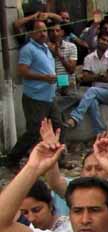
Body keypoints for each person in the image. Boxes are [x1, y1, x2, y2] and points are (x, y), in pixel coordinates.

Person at [8, 19, 60, 166]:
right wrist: (44, 78)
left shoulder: (46, 47)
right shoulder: (28, 49)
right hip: (35, 97)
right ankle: (12, 158)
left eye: (44, 30)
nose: (43, 34)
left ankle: (59, 159)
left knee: (58, 126)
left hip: (50, 96)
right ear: (31, 33)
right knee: (34, 131)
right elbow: (23, 71)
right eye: (39, 31)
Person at [63, 31, 108, 133]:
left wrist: (92, 76)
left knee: (92, 91)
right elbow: (85, 78)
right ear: (98, 40)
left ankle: (75, 117)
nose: (105, 42)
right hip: (94, 92)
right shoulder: (89, 58)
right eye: (103, 40)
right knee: (92, 102)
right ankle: (100, 132)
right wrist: (100, 75)